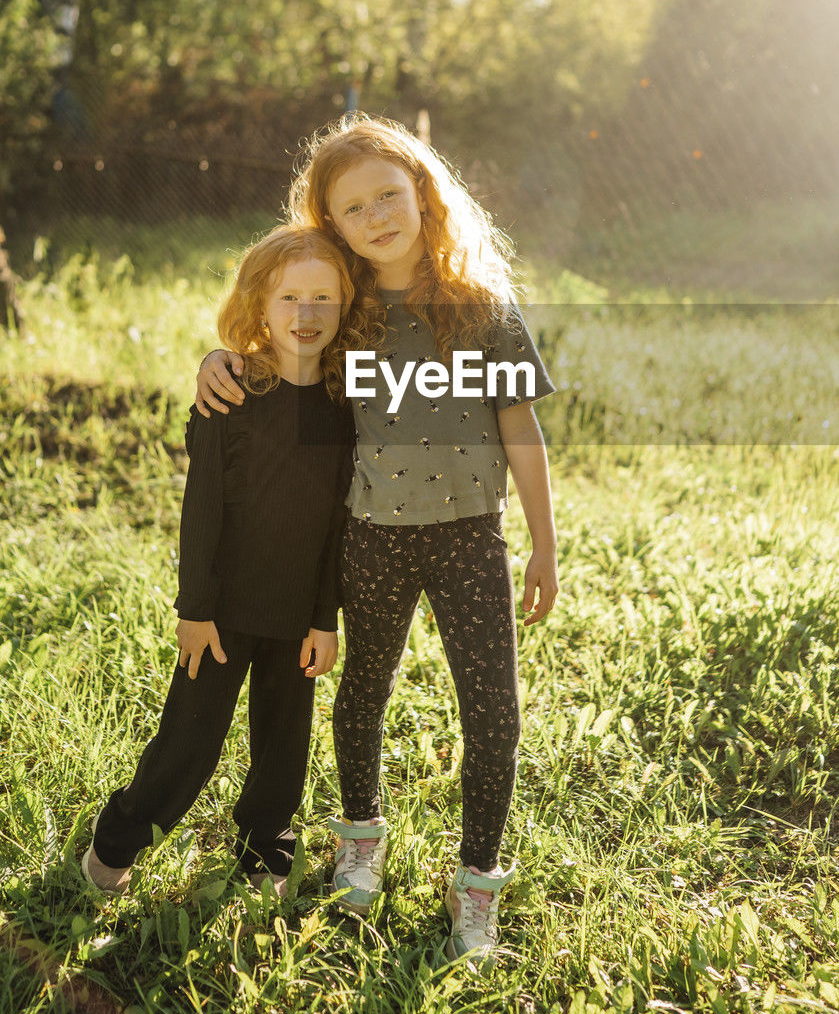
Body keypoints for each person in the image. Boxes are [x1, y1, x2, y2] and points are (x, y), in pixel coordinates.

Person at [196, 114, 560, 964]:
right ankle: (359, 837)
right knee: (364, 689)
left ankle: (477, 881)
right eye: (353, 208)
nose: (377, 216)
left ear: (424, 194)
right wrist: (217, 361)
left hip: (471, 536)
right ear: (332, 224)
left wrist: (544, 545)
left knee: (493, 713)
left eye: (389, 194)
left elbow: (521, 429)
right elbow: (269, 347)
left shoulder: (481, 307)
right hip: (371, 538)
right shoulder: (343, 310)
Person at [82, 226, 356, 899]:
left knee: (283, 749)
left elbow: (337, 529)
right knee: (188, 744)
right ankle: (117, 840)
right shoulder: (230, 395)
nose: (306, 313)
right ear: (259, 305)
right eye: (290, 296)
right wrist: (195, 610)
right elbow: (200, 513)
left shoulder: (346, 405)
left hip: (297, 617)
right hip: (223, 613)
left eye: (324, 297)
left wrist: (326, 619)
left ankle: (265, 847)